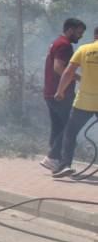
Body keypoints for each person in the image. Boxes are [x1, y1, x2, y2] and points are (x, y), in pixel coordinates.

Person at [52, 28, 98, 177]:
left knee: (70, 132)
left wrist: (60, 91)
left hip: (84, 101)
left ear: (95, 35)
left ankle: (65, 165)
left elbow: (68, 72)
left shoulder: (84, 49)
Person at [41, 18, 85, 170]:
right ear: (70, 30)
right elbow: (59, 68)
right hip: (61, 93)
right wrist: (80, 78)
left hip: (49, 91)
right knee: (69, 127)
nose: (80, 37)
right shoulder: (64, 45)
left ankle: (54, 160)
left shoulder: (56, 42)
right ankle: (53, 157)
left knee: (58, 126)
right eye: (79, 33)